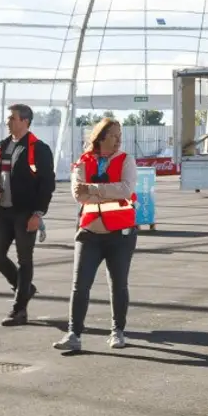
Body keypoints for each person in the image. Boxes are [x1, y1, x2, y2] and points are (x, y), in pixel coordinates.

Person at [57, 118, 138, 353]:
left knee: (118, 285)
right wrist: (105, 192)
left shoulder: (126, 160)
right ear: (101, 137)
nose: (118, 140)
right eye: (113, 135)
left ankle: (117, 331)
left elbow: (126, 189)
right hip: (89, 232)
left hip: (120, 235)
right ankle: (74, 334)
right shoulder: (83, 161)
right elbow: (77, 194)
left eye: (120, 135)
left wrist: (93, 189)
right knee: (80, 285)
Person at [0, 103, 55, 326]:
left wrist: (38, 213)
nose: (8, 122)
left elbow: (47, 184)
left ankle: (19, 310)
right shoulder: (3, 145)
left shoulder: (39, 148)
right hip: (2, 210)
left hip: (25, 212)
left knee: (24, 260)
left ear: (25, 121)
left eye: (12, 118)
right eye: (8, 118)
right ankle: (25, 288)